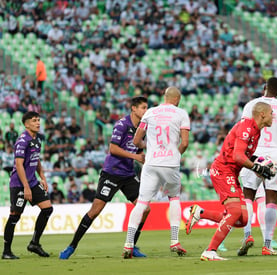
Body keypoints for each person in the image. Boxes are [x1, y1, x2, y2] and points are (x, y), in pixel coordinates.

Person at [59, 96, 149, 260]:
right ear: (133, 109)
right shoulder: (122, 124)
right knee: (96, 210)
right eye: (143, 107)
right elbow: (113, 149)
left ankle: (131, 245)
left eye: (146, 107)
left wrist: (141, 155)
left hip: (128, 174)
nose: (146, 110)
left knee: (145, 209)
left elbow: (136, 148)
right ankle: (71, 246)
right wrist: (134, 157)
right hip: (112, 172)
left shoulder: (142, 128)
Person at [186, 102, 276, 261]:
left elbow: (245, 156)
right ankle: (210, 251)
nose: (273, 116)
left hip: (232, 173)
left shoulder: (256, 131)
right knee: (234, 212)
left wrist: (264, 165)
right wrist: (258, 168)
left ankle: (200, 213)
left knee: (243, 219)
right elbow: (238, 157)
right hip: (223, 170)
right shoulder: (247, 128)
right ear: (262, 114)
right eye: (271, 113)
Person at [122, 87, 190, 258]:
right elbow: (185, 143)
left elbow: (136, 140)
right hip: (170, 164)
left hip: (151, 163)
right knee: (173, 198)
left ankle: (129, 244)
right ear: (177, 98)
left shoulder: (150, 112)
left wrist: (149, 148)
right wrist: (175, 154)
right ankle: (174, 241)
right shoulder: (181, 114)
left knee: (142, 203)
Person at [238, 77, 277, 256]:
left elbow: (242, 129)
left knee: (248, 195)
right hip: (274, 153)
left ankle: (247, 235)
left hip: (254, 151)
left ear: (264, 87)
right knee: (271, 199)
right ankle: (267, 245)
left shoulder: (251, 104)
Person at [2, 112, 53, 259]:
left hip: (32, 182)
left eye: (38, 120)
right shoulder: (22, 140)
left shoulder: (37, 140)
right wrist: (26, 187)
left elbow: (36, 160)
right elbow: (19, 164)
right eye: (34, 120)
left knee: (47, 209)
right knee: (15, 216)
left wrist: (42, 177)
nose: (38, 123)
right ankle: (6, 251)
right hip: (19, 184)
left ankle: (34, 243)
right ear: (26, 124)